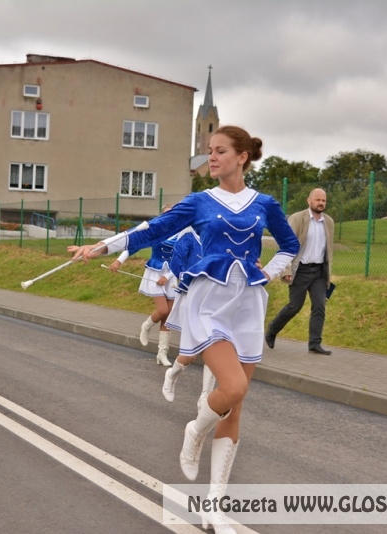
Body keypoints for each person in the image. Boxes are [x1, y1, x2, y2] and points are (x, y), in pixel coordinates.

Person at [69, 125, 299, 533]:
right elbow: (151, 229)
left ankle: (214, 508)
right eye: (209, 150)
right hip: (208, 304)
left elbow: (289, 245)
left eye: (220, 151)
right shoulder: (199, 202)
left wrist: (270, 270)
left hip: (247, 304)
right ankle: (194, 429)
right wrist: (101, 246)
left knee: (234, 406)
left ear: (242, 156)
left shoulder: (265, 203)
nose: (211, 157)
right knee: (232, 389)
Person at [265, 188, 335, 355]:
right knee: (294, 306)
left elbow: (328, 249)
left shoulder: (329, 222)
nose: (321, 203)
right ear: (308, 201)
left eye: (323, 200)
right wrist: (286, 269)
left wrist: (327, 273)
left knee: (319, 306)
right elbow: (286, 245)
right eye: (317, 200)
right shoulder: (297, 219)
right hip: (300, 270)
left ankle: (315, 343)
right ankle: (272, 329)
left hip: (319, 271)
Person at [159, 227, 217, 408]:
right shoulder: (188, 236)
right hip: (191, 295)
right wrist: (192, 279)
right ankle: (172, 374)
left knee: (213, 346)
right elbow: (177, 264)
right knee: (190, 354)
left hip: (214, 296)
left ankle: (205, 397)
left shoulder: (218, 234)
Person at [135, 205, 178, 367]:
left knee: (168, 317)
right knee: (162, 311)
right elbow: (134, 244)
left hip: (172, 275)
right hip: (155, 273)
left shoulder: (182, 232)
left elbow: (180, 260)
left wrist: (168, 276)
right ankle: (146, 326)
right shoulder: (155, 230)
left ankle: (162, 353)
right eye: (167, 214)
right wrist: (119, 261)